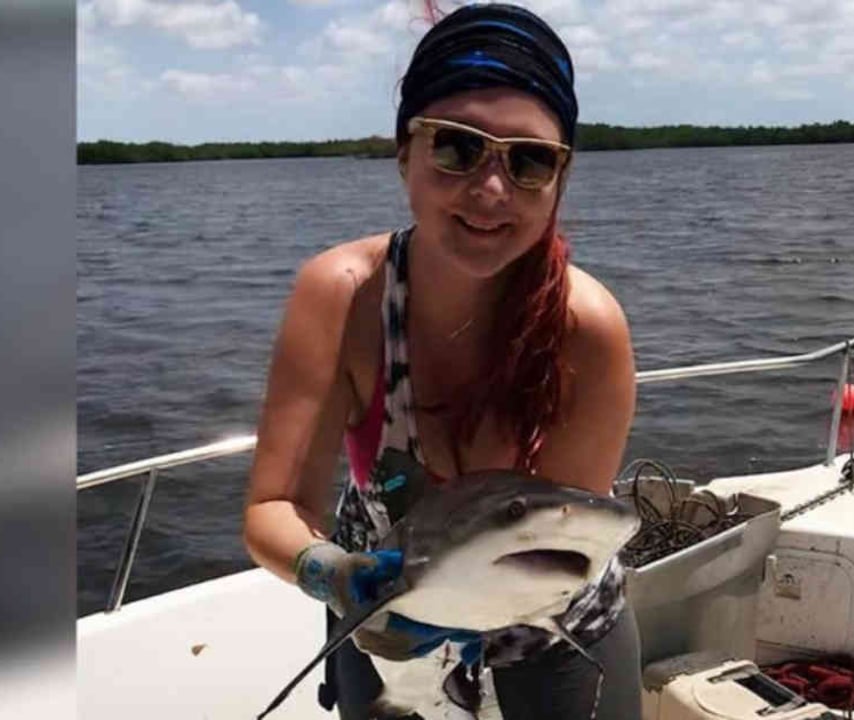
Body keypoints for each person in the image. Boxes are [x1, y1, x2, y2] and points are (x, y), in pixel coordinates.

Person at [243, 4, 639, 718]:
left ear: (561, 178)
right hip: (379, 614)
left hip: (557, 634)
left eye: (529, 161)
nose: (491, 190)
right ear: (404, 154)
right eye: (458, 148)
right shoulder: (343, 297)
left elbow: (565, 526)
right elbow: (275, 508)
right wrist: (337, 576)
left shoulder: (590, 329)